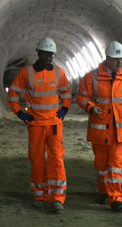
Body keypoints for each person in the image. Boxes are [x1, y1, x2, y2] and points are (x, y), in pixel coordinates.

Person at [76, 41, 122, 212]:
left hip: (120, 131)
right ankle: (104, 192)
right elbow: (81, 96)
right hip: (99, 131)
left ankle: (116, 198)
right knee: (102, 166)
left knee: (116, 165)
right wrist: (90, 106)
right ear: (107, 58)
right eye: (116, 59)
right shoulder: (92, 78)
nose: (119, 63)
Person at [7, 37, 72, 213]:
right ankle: (40, 195)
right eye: (46, 54)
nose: (49, 58)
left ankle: (58, 198)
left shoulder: (59, 73)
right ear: (38, 53)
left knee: (56, 160)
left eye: (51, 55)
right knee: (37, 161)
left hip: (54, 125)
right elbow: (13, 94)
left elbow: (66, 92)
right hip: (35, 124)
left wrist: (64, 109)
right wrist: (20, 113)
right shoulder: (26, 74)